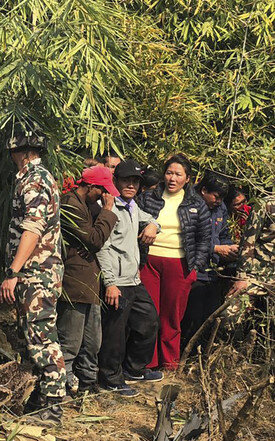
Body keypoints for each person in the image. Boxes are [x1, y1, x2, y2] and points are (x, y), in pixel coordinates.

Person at [0, 122, 66, 425]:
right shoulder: (35, 177)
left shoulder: (34, 180)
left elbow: (33, 228)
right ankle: (42, 399)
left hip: (36, 273)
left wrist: (13, 271)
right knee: (36, 335)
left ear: (21, 151)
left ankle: (52, 406)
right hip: (38, 272)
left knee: (42, 338)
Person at [138, 154, 211, 370]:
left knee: (172, 316)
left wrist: (194, 267)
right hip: (149, 261)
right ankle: (146, 362)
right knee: (149, 313)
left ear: (187, 178)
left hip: (179, 264)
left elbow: (204, 238)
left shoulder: (196, 203)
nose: (172, 178)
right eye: (169, 172)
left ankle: (169, 362)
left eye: (178, 174)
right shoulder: (148, 198)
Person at [97, 160, 162, 397]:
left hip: (134, 279)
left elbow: (151, 218)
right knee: (114, 332)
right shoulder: (110, 209)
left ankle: (133, 369)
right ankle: (110, 378)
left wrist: (153, 226)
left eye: (135, 182)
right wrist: (110, 283)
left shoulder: (133, 207)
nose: (131, 185)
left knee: (148, 321)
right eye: (126, 180)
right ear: (116, 181)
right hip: (117, 281)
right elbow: (102, 248)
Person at [56, 165, 119, 394]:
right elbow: (94, 240)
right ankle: (60, 387)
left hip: (90, 281)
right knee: (70, 341)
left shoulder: (88, 205)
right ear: (91, 186)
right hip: (75, 281)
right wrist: (108, 211)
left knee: (92, 341)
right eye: (103, 192)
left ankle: (87, 384)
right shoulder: (70, 204)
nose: (105, 197)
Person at [181, 172, 236, 347]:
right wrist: (215, 248)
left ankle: (201, 356)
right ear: (203, 190)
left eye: (222, 198)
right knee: (191, 317)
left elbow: (223, 234)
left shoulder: (220, 208)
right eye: (216, 196)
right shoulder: (187, 204)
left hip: (213, 273)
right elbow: (186, 236)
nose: (218, 201)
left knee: (210, 316)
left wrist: (230, 248)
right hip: (191, 271)